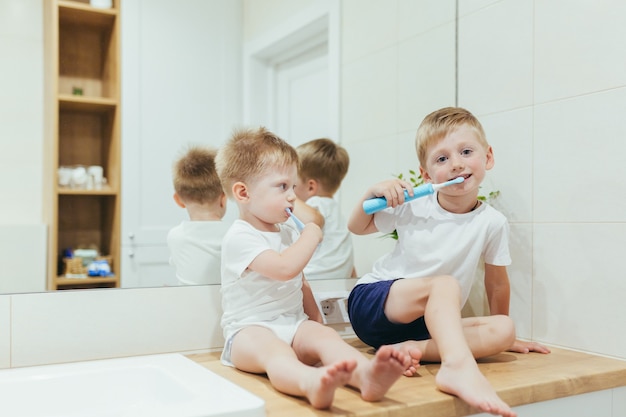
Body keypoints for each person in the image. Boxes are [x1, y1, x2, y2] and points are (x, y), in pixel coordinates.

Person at [347, 107, 549, 417]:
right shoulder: (414, 205)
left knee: (504, 329)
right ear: (426, 174)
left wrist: (503, 338)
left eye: (466, 152)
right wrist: (370, 193)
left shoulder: (492, 222)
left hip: (424, 327)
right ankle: (457, 366)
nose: (456, 164)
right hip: (375, 305)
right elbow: (357, 227)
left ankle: (409, 350)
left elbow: (496, 282)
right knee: (445, 285)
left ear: (488, 157)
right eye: (442, 159)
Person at [214, 126, 421, 409]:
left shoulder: (285, 232)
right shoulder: (240, 237)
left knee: (328, 339)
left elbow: (300, 282)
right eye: (282, 187)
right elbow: (284, 268)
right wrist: (311, 233)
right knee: (276, 354)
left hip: (293, 324)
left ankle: (367, 376)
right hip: (249, 333)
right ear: (243, 192)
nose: (292, 197)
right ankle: (309, 383)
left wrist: (316, 324)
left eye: (293, 187)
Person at [292, 138, 357, 280]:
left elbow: (312, 219)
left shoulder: (316, 203)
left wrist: (283, 195)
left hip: (314, 281)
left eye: (292, 186)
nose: (290, 191)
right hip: (337, 285)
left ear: (311, 187)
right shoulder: (335, 210)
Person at [167, 145, 229, 286]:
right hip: (225, 307)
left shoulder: (175, 236)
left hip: (187, 306)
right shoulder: (236, 233)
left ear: (178, 200)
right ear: (223, 198)